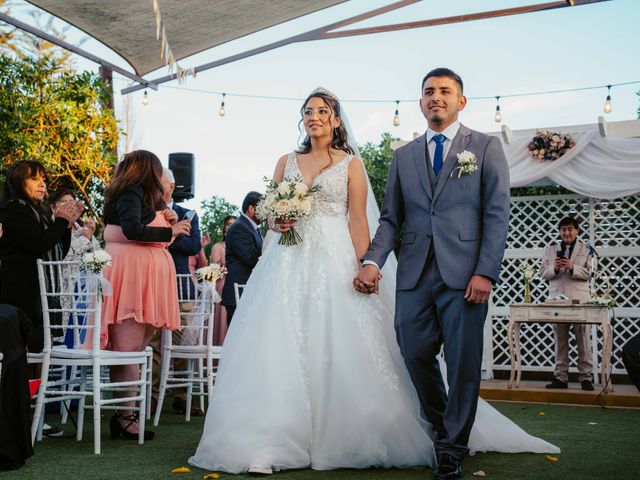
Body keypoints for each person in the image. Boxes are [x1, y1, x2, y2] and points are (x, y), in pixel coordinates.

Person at [189, 87, 558, 475]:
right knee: (277, 345)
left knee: (339, 344)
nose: (314, 117)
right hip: (286, 260)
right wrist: (276, 221)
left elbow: (360, 220)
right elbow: (271, 208)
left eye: (322, 111)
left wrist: (367, 264)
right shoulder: (286, 161)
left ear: (335, 119)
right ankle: (268, 440)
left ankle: (362, 435)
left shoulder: (350, 164)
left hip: (334, 259)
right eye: (308, 111)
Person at [356, 68, 511, 479]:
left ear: (461, 101)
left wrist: (486, 272)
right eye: (428, 92)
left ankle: (451, 449)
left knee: (462, 364)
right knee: (413, 351)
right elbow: (391, 219)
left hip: (466, 278)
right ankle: (446, 427)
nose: (435, 97)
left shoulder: (484, 147)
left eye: (445, 91)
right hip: (414, 274)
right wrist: (372, 261)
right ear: (421, 102)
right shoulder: (404, 156)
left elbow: (497, 215)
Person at [102, 150, 191, 439]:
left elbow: (141, 221)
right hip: (131, 277)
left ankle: (125, 414)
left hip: (143, 278)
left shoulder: (137, 195)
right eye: (156, 170)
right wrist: (171, 232)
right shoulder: (131, 191)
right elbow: (132, 230)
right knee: (128, 351)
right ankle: (125, 416)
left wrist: (164, 216)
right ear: (146, 170)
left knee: (137, 351)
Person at [0, 161, 81, 353]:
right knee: (24, 355)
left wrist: (66, 224)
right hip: (22, 296)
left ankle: (37, 384)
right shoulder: (13, 209)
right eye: (34, 179)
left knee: (42, 353)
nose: (42, 184)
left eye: (44, 180)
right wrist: (60, 220)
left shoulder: (38, 212)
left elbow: (58, 251)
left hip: (43, 294)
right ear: (18, 182)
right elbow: (38, 243)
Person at [149, 167, 203, 416]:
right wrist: (171, 231)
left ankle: (181, 394)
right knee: (152, 341)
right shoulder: (147, 212)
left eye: (161, 184)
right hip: (154, 281)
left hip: (181, 283)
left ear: (171, 186)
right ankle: (151, 393)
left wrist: (171, 231)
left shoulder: (189, 213)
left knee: (181, 343)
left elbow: (193, 246)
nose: (158, 188)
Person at [539, 216, 595, 391]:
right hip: (557, 301)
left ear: (577, 231)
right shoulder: (550, 249)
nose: (567, 232)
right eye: (563, 229)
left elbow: (591, 272)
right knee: (560, 339)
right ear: (559, 231)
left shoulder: (587, 249)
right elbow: (542, 272)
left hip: (579, 301)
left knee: (583, 339)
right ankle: (560, 377)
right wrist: (554, 268)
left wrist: (572, 267)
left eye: (570, 229)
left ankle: (586, 377)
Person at [220, 193, 262, 325]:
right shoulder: (239, 227)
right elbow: (250, 258)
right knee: (235, 338)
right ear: (251, 209)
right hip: (238, 293)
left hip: (247, 291)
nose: (265, 213)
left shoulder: (251, 228)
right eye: (262, 208)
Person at [209, 215, 236, 344]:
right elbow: (214, 272)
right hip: (222, 287)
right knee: (223, 322)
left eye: (234, 224)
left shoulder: (239, 246)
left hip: (238, 285)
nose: (231, 227)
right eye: (229, 224)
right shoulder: (217, 247)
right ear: (224, 228)